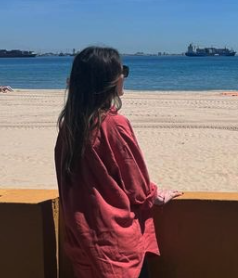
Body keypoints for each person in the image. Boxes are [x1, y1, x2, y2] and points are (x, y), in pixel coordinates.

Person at [55, 46, 181, 278]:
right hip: (116, 248)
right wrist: (156, 194)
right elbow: (138, 187)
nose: (124, 76)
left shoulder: (70, 128)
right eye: (122, 70)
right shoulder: (113, 125)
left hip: (81, 244)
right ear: (109, 80)